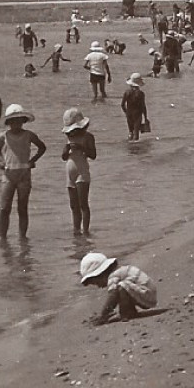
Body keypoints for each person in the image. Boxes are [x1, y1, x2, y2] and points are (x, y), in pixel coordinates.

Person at [0, 104, 47, 239]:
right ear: (8, 122)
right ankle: (3, 238)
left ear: (23, 120)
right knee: (4, 208)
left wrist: (33, 160)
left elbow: (42, 147)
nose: (16, 123)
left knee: (22, 208)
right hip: (8, 175)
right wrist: (1, 161)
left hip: (24, 175)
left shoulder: (29, 135)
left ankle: (22, 237)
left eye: (19, 120)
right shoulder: (3, 136)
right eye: (12, 121)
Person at [79, 252, 157, 325]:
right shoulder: (118, 271)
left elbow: (112, 297)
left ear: (100, 275)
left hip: (147, 294)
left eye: (96, 283)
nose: (99, 286)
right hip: (147, 292)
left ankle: (126, 313)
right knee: (121, 288)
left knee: (121, 287)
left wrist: (103, 315)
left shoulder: (113, 276)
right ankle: (130, 310)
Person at [61, 108, 96, 236]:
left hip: (82, 172)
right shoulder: (69, 137)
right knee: (73, 205)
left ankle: (86, 231)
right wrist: (66, 149)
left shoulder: (88, 137)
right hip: (70, 174)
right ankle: (76, 230)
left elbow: (93, 155)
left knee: (83, 204)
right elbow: (64, 157)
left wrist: (82, 147)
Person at [120, 73, 150, 140]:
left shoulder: (127, 92)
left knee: (130, 131)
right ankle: (136, 147)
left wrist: (126, 112)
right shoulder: (141, 94)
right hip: (137, 114)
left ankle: (130, 146)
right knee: (136, 132)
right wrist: (145, 117)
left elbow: (122, 105)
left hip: (129, 113)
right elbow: (143, 106)